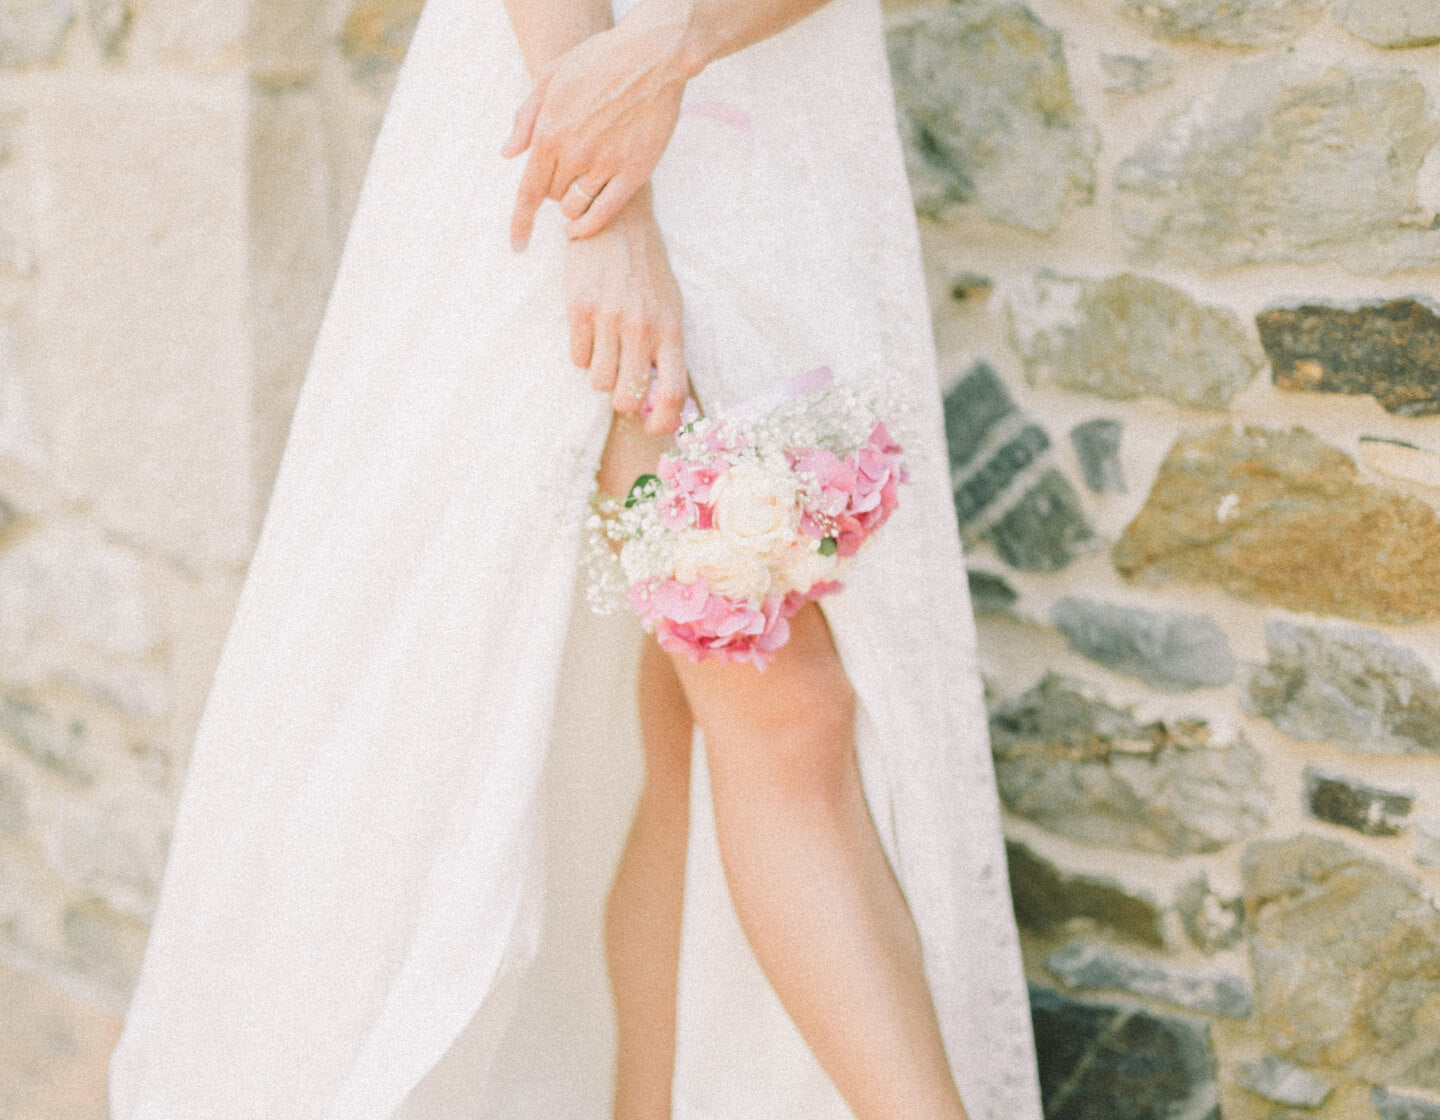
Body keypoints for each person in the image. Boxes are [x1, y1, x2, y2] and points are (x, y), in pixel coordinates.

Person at [107, 0, 1044, 1116]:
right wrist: (606, 207)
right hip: (572, 112)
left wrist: (678, 52)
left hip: (780, 141)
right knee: (786, 706)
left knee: (678, 725)